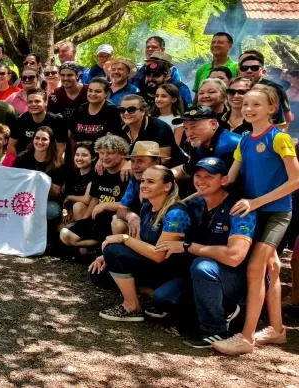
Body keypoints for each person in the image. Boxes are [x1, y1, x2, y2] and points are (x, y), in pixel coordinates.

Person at [212, 85, 299, 355]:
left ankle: (246, 337)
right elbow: (231, 178)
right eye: (246, 104)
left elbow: (296, 181)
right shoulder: (244, 141)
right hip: (254, 212)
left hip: (277, 213)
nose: (248, 108)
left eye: (256, 105)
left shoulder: (279, 139)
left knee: (256, 269)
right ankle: (276, 330)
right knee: (272, 268)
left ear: (272, 108)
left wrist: (256, 202)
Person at [150, 157, 255, 348]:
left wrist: (188, 246)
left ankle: (216, 329)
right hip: (201, 277)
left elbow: (235, 256)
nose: (201, 180)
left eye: (209, 176)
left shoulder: (239, 208)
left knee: (202, 266)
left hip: (236, 278)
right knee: (163, 298)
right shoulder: (195, 205)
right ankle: (222, 310)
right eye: (198, 176)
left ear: (224, 180)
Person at [90, 166, 187, 321]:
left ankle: (132, 306)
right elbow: (139, 243)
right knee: (98, 271)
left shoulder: (176, 213)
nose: (143, 185)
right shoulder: (147, 207)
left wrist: (123, 239)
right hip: (151, 265)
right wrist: (107, 256)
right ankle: (149, 292)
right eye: (142, 181)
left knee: (113, 250)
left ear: (167, 186)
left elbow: (159, 255)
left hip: (169, 270)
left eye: (150, 181)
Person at [59, 135, 131, 252]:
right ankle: (101, 244)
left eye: (110, 153)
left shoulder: (128, 174)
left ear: (122, 154)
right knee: (65, 234)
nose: (105, 157)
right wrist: (84, 221)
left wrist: (104, 205)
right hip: (98, 222)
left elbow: (131, 205)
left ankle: (108, 248)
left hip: (117, 221)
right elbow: (95, 199)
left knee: (117, 223)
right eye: (102, 153)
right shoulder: (99, 171)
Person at [172, 105, 241, 182]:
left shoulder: (231, 144)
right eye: (185, 128)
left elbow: (222, 183)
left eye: (194, 127)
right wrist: (163, 175)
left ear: (213, 124)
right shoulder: (199, 143)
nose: (189, 133)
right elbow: (187, 170)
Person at [14, 126, 65, 220]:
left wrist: (41, 181)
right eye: (37, 138)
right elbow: (14, 183)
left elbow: (57, 193)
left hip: (47, 201)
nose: (39, 142)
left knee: (52, 210)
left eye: (44, 139)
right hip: (24, 198)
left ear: (50, 142)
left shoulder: (57, 163)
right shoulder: (22, 158)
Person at [117, 95, 180, 164]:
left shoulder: (159, 127)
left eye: (131, 110)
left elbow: (163, 159)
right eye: (122, 110)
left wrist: (131, 163)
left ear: (143, 111)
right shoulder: (120, 128)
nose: (126, 113)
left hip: (167, 170)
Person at [237, 52, 293, 127]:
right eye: (244, 68)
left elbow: (287, 117)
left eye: (254, 68)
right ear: (239, 72)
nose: (249, 71)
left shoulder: (275, 88)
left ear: (263, 71)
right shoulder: (233, 89)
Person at [9, 90, 67, 156]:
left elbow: (61, 146)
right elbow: (11, 145)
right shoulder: (20, 120)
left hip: (49, 160)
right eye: (30, 102)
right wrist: (17, 163)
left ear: (45, 102)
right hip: (24, 161)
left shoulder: (57, 121)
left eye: (37, 101)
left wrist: (54, 164)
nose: (33, 104)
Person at [71, 77, 123, 144]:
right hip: (80, 153)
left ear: (106, 93)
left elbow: (115, 139)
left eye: (98, 91)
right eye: (90, 90)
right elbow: (72, 135)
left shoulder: (112, 111)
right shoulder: (79, 109)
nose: (93, 94)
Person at [61, 142, 96, 224]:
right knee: (62, 227)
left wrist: (69, 197)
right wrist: (65, 213)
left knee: (78, 206)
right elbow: (64, 202)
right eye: (77, 155)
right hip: (72, 211)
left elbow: (86, 200)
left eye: (84, 155)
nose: (79, 158)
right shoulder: (71, 174)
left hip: (88, 212)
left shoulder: (95, 174)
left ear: (93, 157)